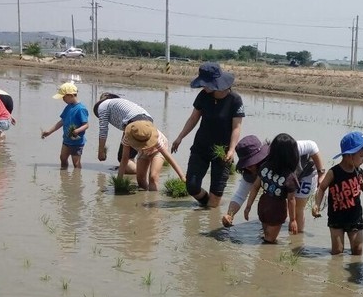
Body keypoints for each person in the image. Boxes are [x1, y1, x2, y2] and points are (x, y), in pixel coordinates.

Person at [171, 62, 244, 208]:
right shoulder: (203, 96)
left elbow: (236, 127)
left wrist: (231, 150)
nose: (203, 87)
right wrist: (180, 137)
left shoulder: (235, 100)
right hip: (201, 148)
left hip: (222, 153)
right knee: (191, 186)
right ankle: (206, 207)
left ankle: (211, 206)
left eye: (205, 84)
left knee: (215, 198)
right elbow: (193, 118)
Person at [221, 135, 326, 231]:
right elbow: (240, 196)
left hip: (305, 173)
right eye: (246, 165)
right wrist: (230, 215)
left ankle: (297, 242)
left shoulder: (283, 150)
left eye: (252, 164)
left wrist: (321, 172)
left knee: (297, 207)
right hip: (284, 181)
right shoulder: (249, 172)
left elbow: (312, 146)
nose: (249, 168)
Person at [312, 131, 363, 255]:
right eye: (361, 156)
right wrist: (317, 205)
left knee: (357, 250)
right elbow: (321, 188)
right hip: (336, 217)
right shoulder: (333, 172)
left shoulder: (359, 171)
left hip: (355, 216)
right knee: (337, 251)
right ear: (349, 155)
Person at [243, 133, 300, 243]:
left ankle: (262, 254)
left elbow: (255, 187)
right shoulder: (289, 177)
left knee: (266, 235)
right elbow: (291, 200)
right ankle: (265, 257)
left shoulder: (264, 167)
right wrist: (293, 220)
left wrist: (248, 206)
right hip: (277, 209)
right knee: (269, 241)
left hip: (263, 204)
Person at [93, 93, 153, 173]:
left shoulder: (102, 106)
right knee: (127, 156)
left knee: (123, 159)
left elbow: (103, 129)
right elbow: (126, 130)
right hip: (148, 120)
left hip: (134, 123)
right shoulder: (119, 104)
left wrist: (101, 152)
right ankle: (138, 170)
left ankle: (143, 173)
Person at [119, 120, 186, 190]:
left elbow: (168, 157)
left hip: (157, 151)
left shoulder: (157, 139)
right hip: (143, 152)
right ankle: (145, 197)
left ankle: (153, 199)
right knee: (140, 180)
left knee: (153, 177)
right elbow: (124, 158)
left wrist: (182, 177)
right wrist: (119, 180)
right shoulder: (127, 137)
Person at [41, 82, 89, 169]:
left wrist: (77, 131)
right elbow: (62, 121)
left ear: (70, 95)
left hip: (76, 141)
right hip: (66, 139)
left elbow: (86, 125)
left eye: (64, 97)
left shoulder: (81, 109)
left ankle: (77, 179)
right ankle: (64, 177)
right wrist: (49, 131)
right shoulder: (68, 107)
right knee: (63, 158)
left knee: (76, 163)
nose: (63, 99)